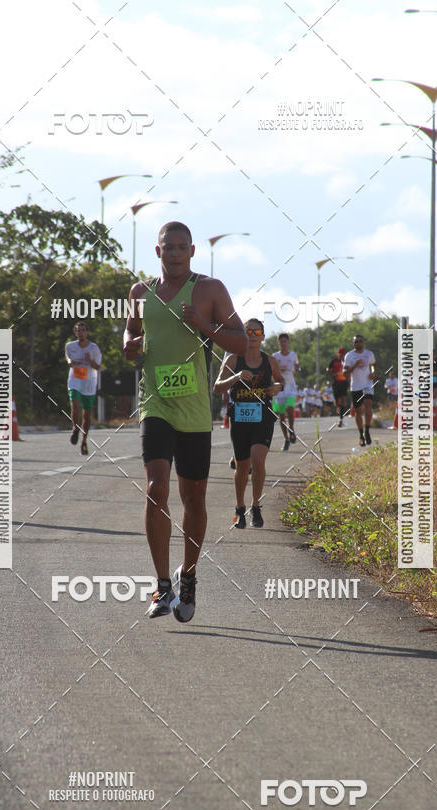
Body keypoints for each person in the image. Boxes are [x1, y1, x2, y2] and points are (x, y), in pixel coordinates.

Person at [123, 222, 247, 622]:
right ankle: (162, 585)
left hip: (194, 410)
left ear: (192, 251)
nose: (174, 253)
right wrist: (129, 346)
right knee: (156, 489)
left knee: (194, 499)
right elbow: (131, 333)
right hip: (155, 403)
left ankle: (188, 574)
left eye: (181, 247)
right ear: (157, 251)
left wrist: (205, 326)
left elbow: (241, 341)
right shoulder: (140, 293)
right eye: (168, 247)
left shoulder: (210, 290)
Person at [214, 318, 283, 529]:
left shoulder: (270, 361)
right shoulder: (233, 360)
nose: (253, 335)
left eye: (257, 332)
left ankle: (256, 506)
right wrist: (235, 377)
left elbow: (281, 380)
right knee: (242, 466)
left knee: (257, 459)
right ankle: (240, 507)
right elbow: (217, 387)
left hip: (263, 416)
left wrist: (278, 387)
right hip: (240, 418)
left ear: (263, 337)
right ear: (243, 335)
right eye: (248, 332)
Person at [65, 321, 102, 455]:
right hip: (75, 380)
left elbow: (98, 367)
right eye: (78, 330)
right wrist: (70, 362)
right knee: (75, 406)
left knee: (87, 415)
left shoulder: (94, 348)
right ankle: (75, 428)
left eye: (83, 330)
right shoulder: (70, 346)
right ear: (75, 333)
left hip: (89, 382)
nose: (81, 333)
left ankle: (84, 441)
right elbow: (68, 357)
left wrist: (89, 360)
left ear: (87, 332)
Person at [343, 334, 375, 447]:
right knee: (358, 411)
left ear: (364, 342)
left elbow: (373, 365)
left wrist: (373, 372)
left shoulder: (369, 354)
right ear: (353, 343)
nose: (358, 343)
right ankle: (361, 435)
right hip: (356, 386)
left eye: (360, 341)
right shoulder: (349, 356)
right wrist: (355, 365)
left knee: (368, 405)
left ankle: (367, 430)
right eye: (356, 341)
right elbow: (345, 374)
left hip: (367, 385)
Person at [272, 333, 300, 450]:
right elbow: (272, 372)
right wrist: (278, 371)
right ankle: (286, 439)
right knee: (282, 416)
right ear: (278, 343)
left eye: (285, 341)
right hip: (279, 387)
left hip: (290, 386)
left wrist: (296, 369)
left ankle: (291, 429)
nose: (283, 343)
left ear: (288, 342)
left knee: (290, 408)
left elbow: (296, 369)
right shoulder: (275, 356)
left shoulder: (293, 355)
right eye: (281, 341)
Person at [327, 347, 348, 426]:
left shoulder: (346, 361)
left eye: (343, 354)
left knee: (343, 399)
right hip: (336, 382)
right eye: (340, 354)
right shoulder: (334, 361)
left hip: (344, 382)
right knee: (337, 401)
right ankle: (339, 407)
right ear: (338, 354)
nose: (341, 355)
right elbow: (328, 369)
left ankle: (341, 418)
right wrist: (333, 374)